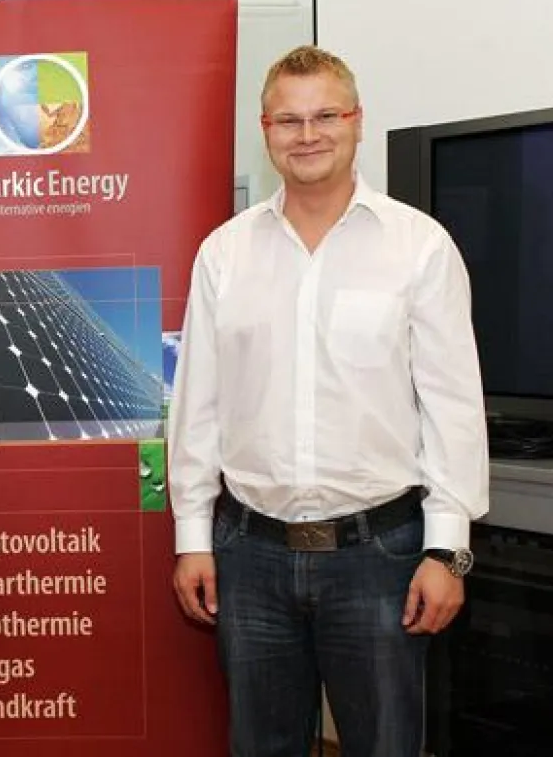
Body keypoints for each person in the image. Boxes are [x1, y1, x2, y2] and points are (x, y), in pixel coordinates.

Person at [169, 45, 488, 757]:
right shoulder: (224, 253)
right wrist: (193, 536)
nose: (306, 134)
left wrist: (448, 549)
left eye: (324, 116)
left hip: (382, 554)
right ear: (265, 128)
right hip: (248, 555)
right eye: (288, 120)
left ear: (357, 121)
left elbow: (453, 406)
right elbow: (197, 406)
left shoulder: (419, 247)